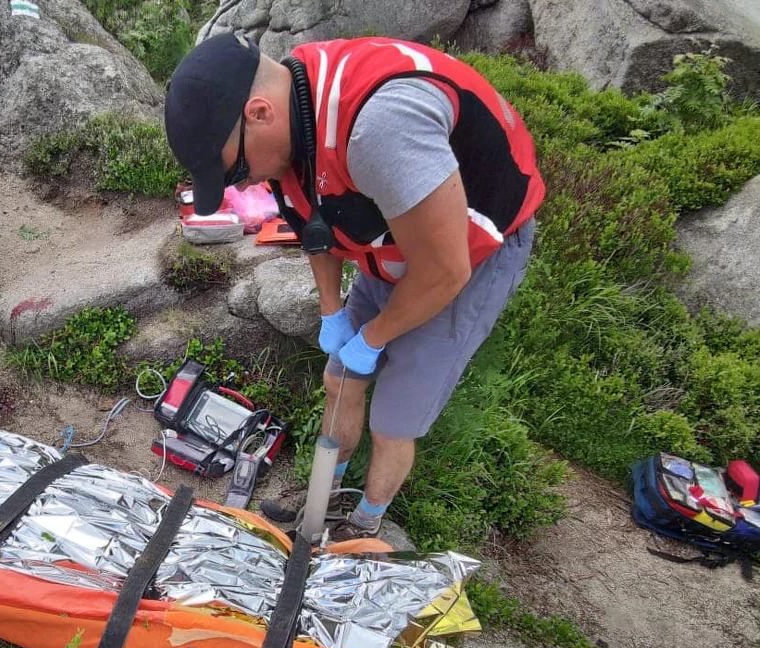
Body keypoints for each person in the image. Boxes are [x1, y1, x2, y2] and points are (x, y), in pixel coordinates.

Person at [164, 33, 545, 539]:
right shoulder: (292, 104)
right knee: (340, 380)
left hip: (467, 253)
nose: (244, 184)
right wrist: (332, 312)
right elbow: (313, 224)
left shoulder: (381, 128)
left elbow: (443, 271)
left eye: (235, 169)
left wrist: (376, 336)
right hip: (392, 234)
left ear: (258, 113)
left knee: (395, 416)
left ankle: (364, 522)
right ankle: (323, 496)